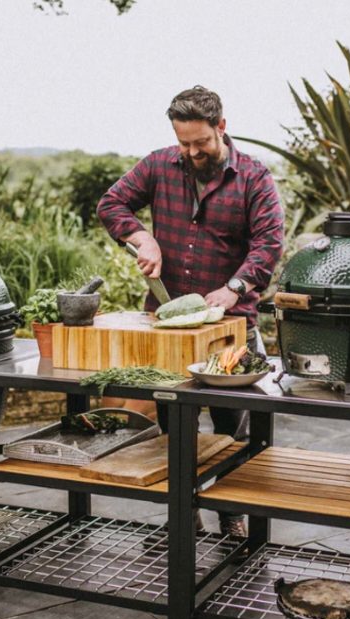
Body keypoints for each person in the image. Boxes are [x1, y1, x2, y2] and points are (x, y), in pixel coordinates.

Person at [97, 85, 285, 537]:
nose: (192, 152)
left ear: (221, 127)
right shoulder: (160, 164)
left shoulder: (255, 178)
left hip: (230, 326)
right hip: (168, 325)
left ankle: (233, 516)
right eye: (184, 143)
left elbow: (269, 243)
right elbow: (112, 203)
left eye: (200, 142)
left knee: (230, 425)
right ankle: (183, 515)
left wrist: (233, 288)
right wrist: (142, 238)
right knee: (173, 425)